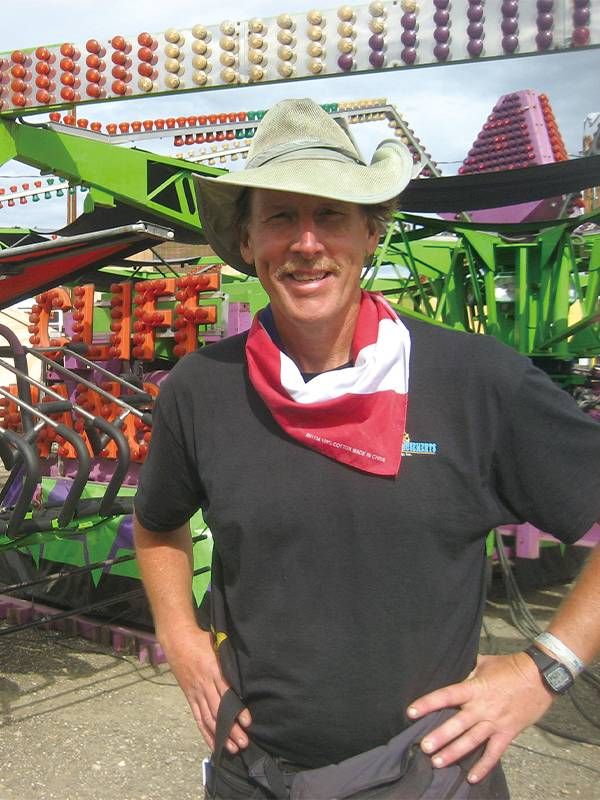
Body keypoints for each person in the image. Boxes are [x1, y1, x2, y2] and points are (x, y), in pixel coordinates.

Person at [133, 98, 600, 799]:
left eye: (332, 215)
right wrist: (180, 637)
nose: (307, 242)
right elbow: (156, 521)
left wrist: (546, 667)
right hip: (251, 774)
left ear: (371, 234)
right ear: (250, 240)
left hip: (426, 774)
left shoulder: (476, 380)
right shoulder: (203, 389)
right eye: (281, 216)